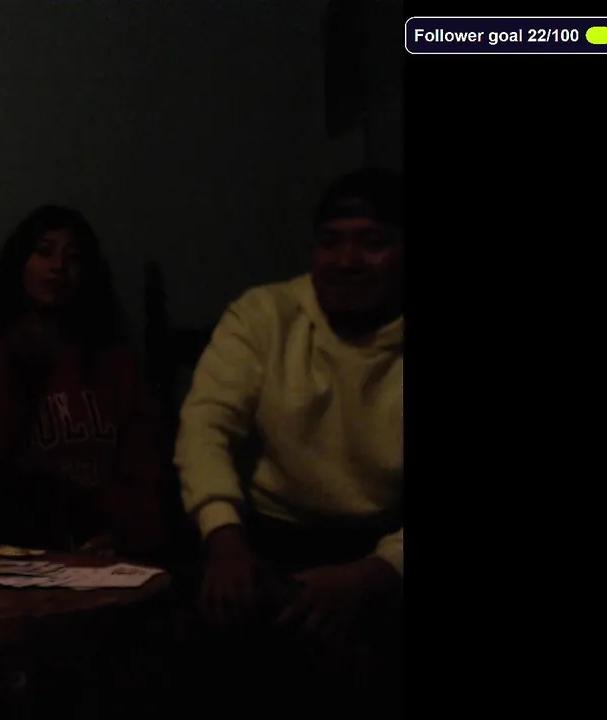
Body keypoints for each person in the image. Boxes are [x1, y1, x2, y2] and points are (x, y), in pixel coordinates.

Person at [175, 168, 404, 717]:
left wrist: (373, 575)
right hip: (265, 542)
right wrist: (223, 536)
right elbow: (205, 426)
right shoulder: (265, 314)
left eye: (372, 242)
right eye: (331, 241)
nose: (347, 260)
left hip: (386, 549)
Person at [0, 205, 166, 559]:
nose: (58, 266)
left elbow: (144, 467)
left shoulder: (114, 360)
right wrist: (23, 373)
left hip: (97, 545)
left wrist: (121, 534)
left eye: (73, 257)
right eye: (44, 252)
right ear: (19, 262)